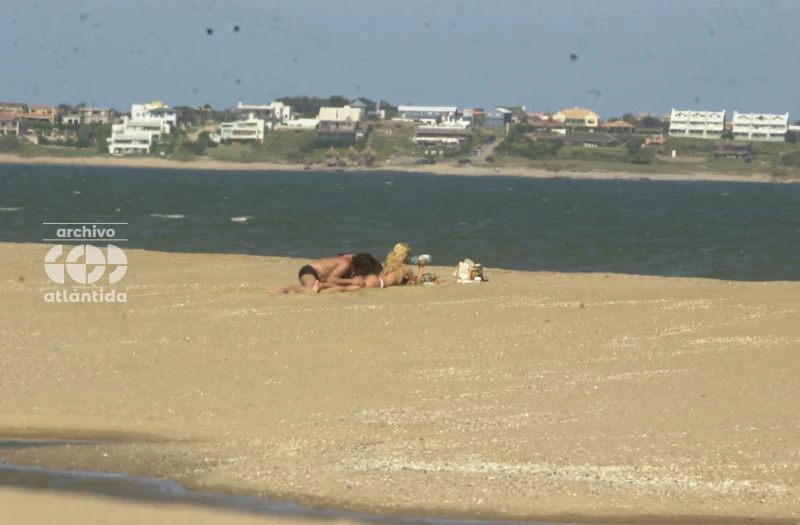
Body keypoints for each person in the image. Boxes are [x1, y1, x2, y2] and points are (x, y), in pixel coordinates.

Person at [320, 243, 424, 293]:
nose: (409, 257)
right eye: (409, 254)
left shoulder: (389, 263)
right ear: (404, 255)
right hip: (378, 283)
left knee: (347, 286)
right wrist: (421, 268)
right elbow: (417, 282)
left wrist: (404, 281)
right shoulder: (406, 269)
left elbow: (393, 277)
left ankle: (321, 285)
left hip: (373, 277)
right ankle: (321, 291)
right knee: (345, 289)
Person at [270, 252, 379, 294]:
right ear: (357, 266)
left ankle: (317, 285)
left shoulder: (354, 258)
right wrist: (353, 280)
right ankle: (286, 289)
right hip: (310, 271)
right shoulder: (345, 264)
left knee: (325, 288)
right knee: (310, 291)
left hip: (320, 279)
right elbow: (331, 279)